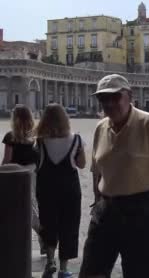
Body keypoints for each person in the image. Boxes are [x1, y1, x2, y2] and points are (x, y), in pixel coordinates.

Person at [79, 74, 149, 278]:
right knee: (91, 272)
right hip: (106, 211)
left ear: (129, 96)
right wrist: (98, 199)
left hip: (142, 213)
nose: (109, 103)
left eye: (115, 97)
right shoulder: (101, 127)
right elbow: (96, 170)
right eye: (103, 99)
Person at [35, 104, 86, 278]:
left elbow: (37, 166)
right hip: (70, 190)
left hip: (47, 190)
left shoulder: (40, 141)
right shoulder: (76, 140)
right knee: (69, 227)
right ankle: (64, 269)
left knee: (48, 225)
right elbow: (81, 164)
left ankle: (50, 262)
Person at [1, 105, 44, 255]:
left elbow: (6, 160)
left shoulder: (11, 137)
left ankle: (41, 233)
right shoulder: (36, 138)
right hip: (34, 174)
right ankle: (42, 237)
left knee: (24, 208)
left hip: (15, 176)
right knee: (32, 206)